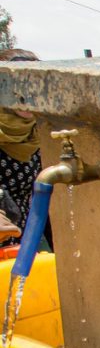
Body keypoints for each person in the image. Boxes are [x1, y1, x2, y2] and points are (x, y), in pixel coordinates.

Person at [0, 48, 46, 248]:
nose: (27, 97)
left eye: (34, 86)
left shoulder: (37, 134)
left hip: (23, 246)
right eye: (18, 87)